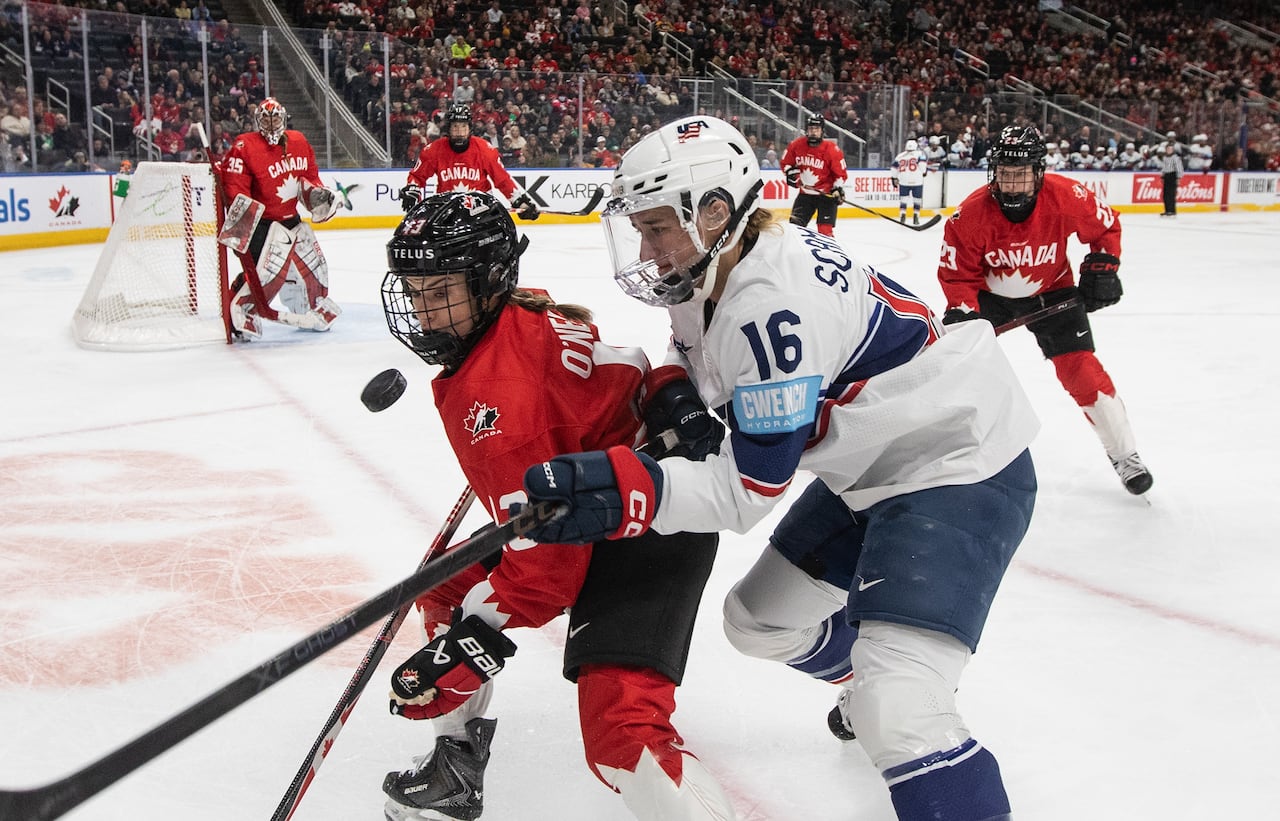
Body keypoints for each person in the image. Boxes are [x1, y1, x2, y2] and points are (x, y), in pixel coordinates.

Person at [515, 115, 1041, 821]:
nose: (646, 248)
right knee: (759, 621)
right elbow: (685, 343)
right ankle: (872, 677)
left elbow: (746, 491)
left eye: (657, 228)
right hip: (875, 463)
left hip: (957, 462)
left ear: (714, 212)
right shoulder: (727, 262)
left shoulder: (768, 311)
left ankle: (896, 693)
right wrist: (675, 394)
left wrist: (622, 493)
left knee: (901, 709)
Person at [378, 191, 736, 821]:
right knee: (442, 583)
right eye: (416, 290)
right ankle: (456, 768)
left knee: (621, 739)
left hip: (650, 520)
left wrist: (467, 647)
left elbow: (547, 575)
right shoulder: (518, 310)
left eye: (441, 293)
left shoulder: (502, 412)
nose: (423, 312)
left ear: (488, 284)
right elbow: (613, 369)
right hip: (604, 488)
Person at [938, 124, 1154, 495]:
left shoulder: (1066, 195)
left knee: (1083, 374)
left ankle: (1125, 454)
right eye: (1004, 174)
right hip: (991, 299)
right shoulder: (970, 215)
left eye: (1020, 175)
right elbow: (957, 276)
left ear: (1038, 173)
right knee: (955, 369)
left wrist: (1103, 264)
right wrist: (964, 313)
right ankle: (945, 452)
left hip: (1053, 293)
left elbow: (1106, 226)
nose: (1011, 184)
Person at [217, 96, 341, 339]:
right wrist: (243, 234)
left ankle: (310, 306)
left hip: (291, 220)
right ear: (257, 120)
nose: (271, 123)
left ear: (284, 118)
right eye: (266, 118)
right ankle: (242, 309)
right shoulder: (244, 146)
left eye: (275, 117)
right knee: (267, 275)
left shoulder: (299, 141)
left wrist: (318, 196)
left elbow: (309, 179)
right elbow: (235, 191)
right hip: (261, 225)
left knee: (317, 269)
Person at [399, 102, 540, 220]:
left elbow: (502, 180)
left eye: (463, 127)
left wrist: (520, 202)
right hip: (446, 212)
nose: (460, 133)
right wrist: (413, 189)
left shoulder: (485, 149)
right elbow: (418, 176)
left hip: (481, 212)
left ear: (470, 129)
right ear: (448, 129)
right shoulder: (434, 150)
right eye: (455, 127)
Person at [780, 113, 847, 236]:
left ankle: (828, 254)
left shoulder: (831, 149)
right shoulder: (796, 145)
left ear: (822, 131)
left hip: (826, 196)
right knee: (794, 229)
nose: (813, 132)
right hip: (805, 195)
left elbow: (840, 174)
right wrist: (791, 174)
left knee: (825, 232)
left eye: (816, 129)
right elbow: (786, 163)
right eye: (811, 128)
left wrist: (837, 188)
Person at [890, 138, 928, 224]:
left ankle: (902, 215)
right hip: (917, 180)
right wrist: (924, 172)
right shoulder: (920, 154)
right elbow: (922, 166)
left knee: (903, 199)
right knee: (917, 199)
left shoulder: (900, 156)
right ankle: (916, 217)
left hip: (904, 180)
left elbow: (894, 168)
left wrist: (894, 178)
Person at [1159, 139, 1184, 217]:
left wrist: (1178, 178)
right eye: (1167, 149)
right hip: (1166, 176)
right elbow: (1163, 167)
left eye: (1170, 149)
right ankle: (1167, 210)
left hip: (1173, 176)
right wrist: (1162, 176)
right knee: (1165, 194)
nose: (1168, 150)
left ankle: (1172, 210)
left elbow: (1179, 168)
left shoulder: (1175, 158)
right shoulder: (1165, 158)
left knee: (1171, 194)